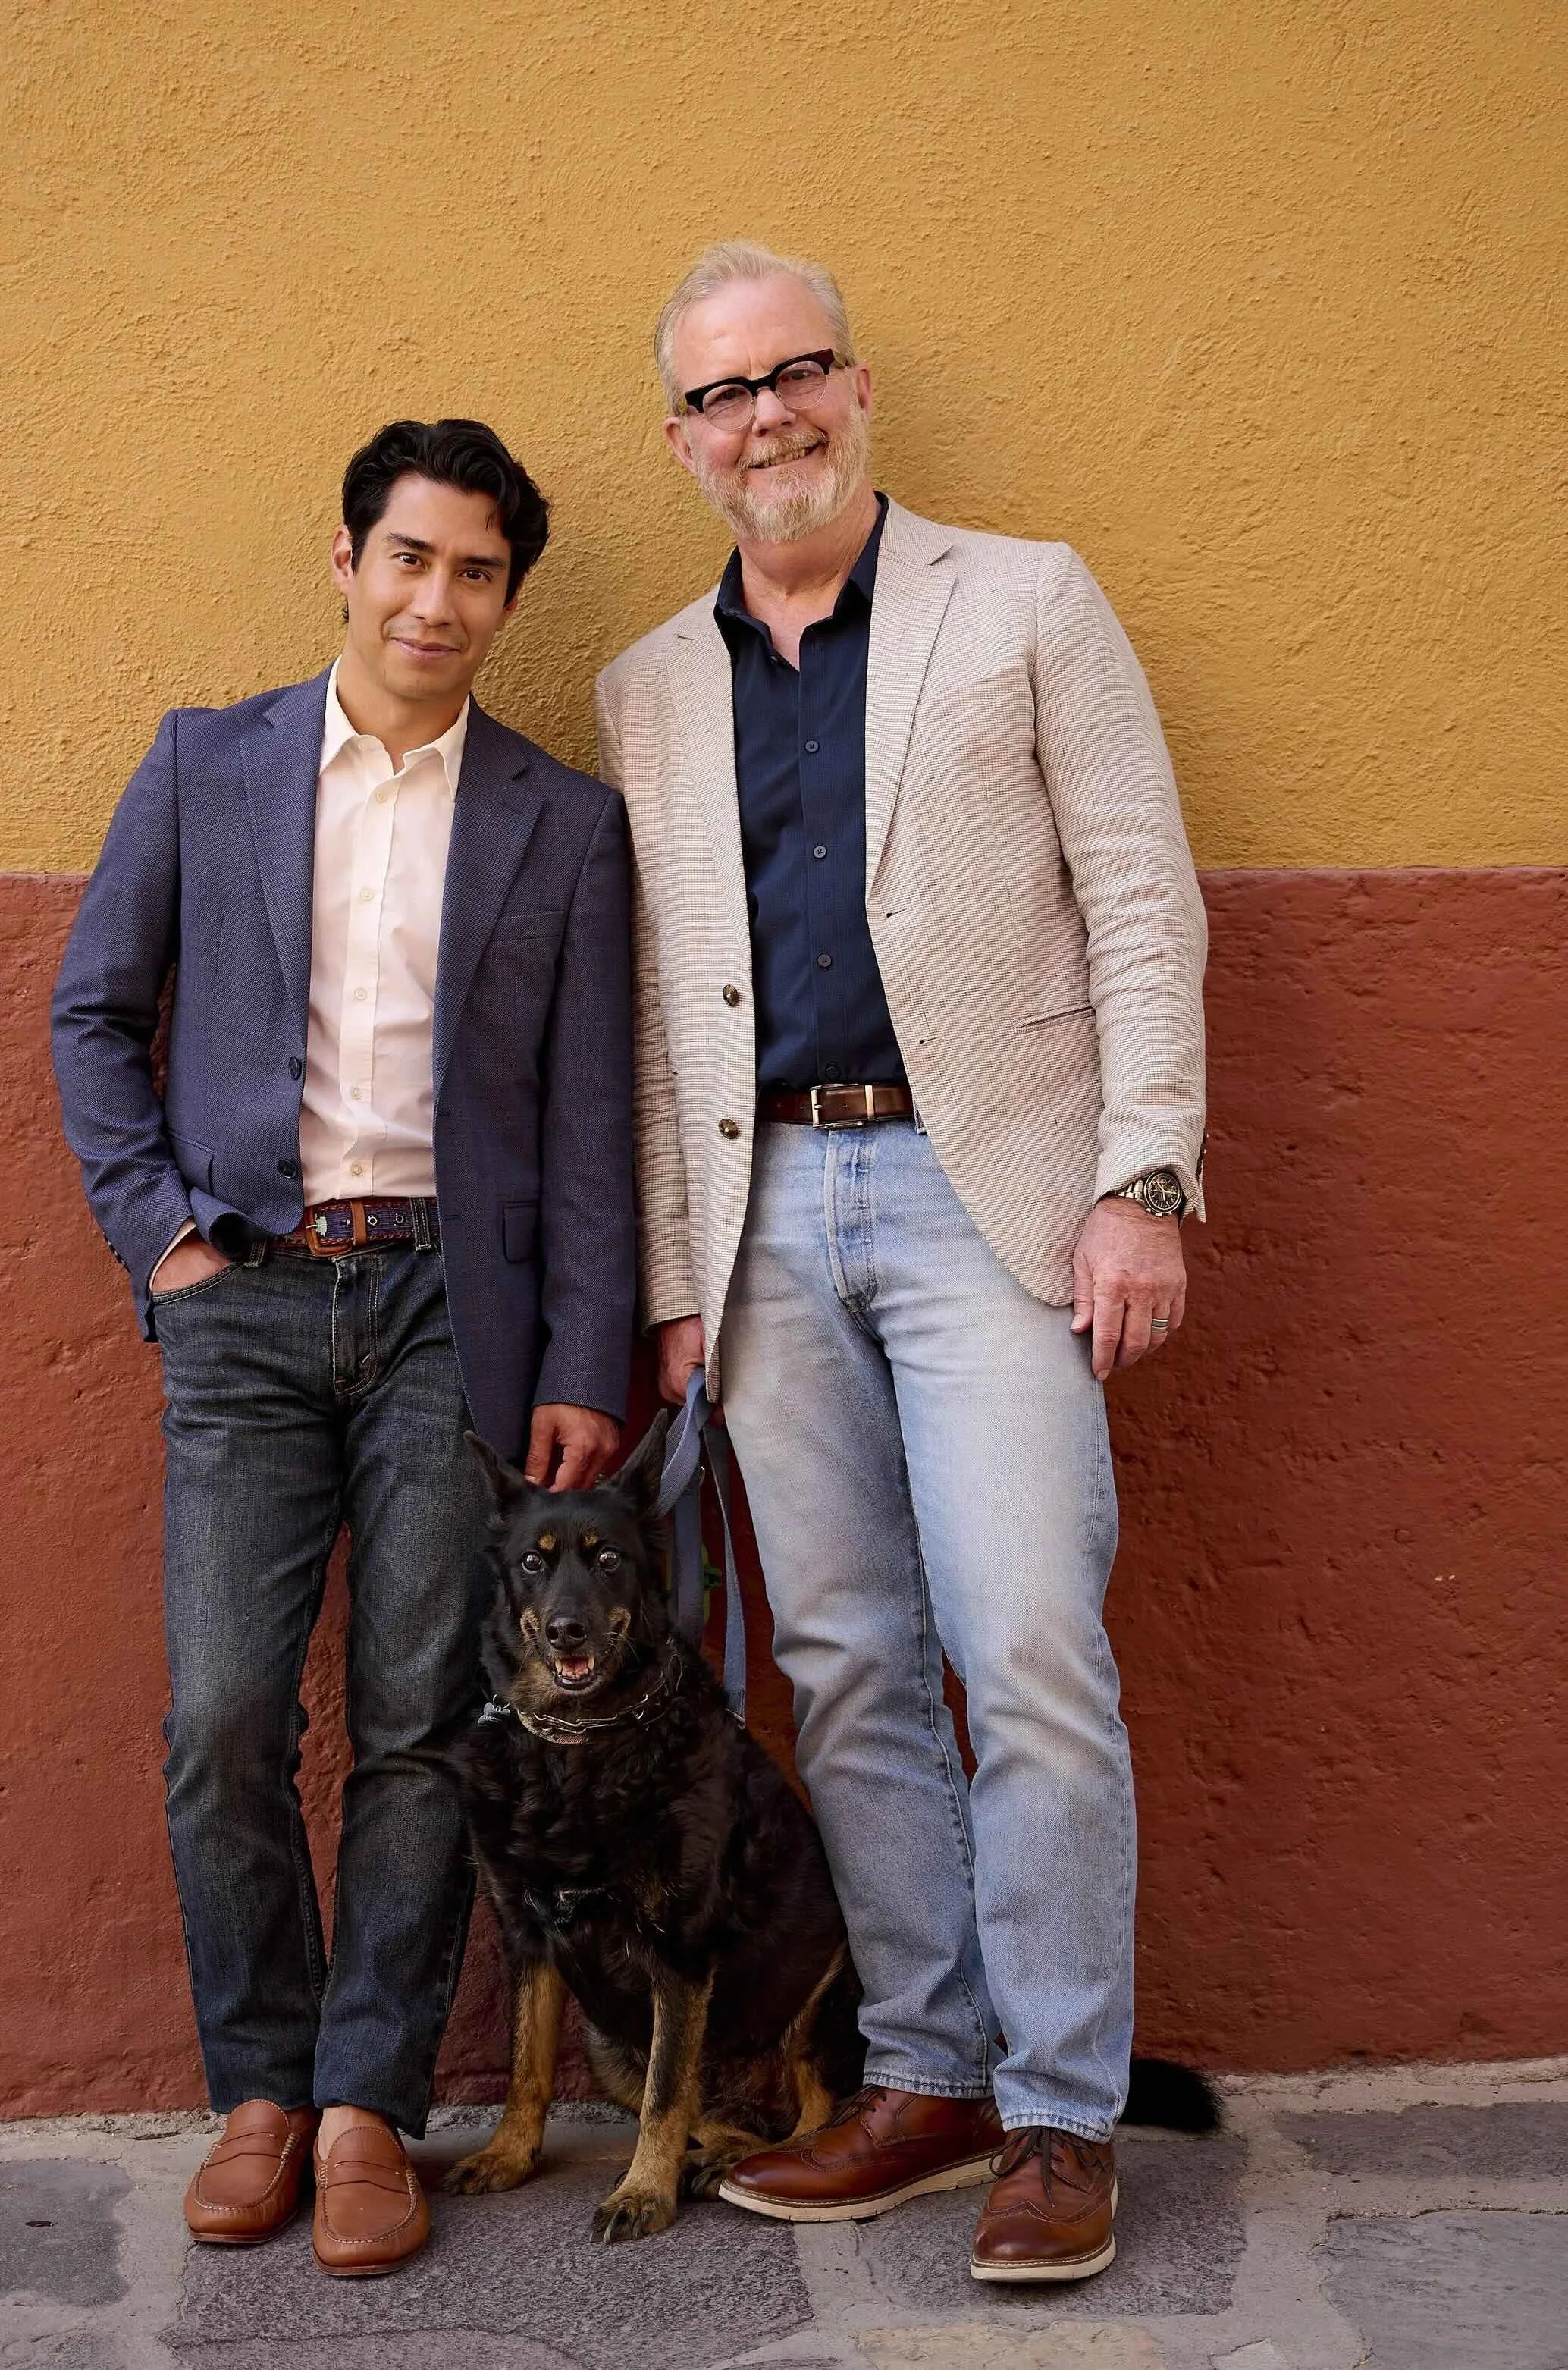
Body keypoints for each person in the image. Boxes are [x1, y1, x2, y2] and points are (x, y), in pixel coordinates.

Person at [595, 243, 1207, 2284]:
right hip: (766, 1214)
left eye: (795, 374)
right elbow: (666, 1013)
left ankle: (1056, 2113)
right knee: (842, 1659)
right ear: (676, 437)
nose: (762, 417)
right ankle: (927, 2073)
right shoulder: (642, 685)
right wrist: (681, 1275)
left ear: (855, 386)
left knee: (1025, 1640)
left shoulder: (1021, 596)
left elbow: (1135, 891)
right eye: (717, 395)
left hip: (990, 1206)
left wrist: (1143, 1177)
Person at [51, 419, 633, 2275]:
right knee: (221, 1712)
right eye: (407, 556)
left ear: (505, 597)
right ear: (345, 559)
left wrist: (583, 1358)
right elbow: (92, 1016)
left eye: (473, 571)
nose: (434, 599)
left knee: (414, 1724)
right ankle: (259, 2090)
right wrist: (167, 1244)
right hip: (246, 1295)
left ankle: (369, 2099)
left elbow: (590, 1122)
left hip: (454, 1309)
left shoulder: (559, 819)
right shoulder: (205, 766)